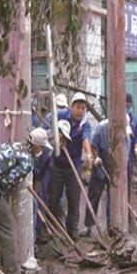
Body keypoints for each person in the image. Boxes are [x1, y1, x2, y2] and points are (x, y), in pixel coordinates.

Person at [0, 128, 51, 274]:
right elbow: (8, 182)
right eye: (41, 146)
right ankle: (12, 271)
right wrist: (4, 195)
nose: (42, 150)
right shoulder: (27, 161)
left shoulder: (13, 145)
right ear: (36, 145)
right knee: (8, 228)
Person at [48, 92, 93, 240]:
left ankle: (72, 230)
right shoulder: (59, 115)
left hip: (74, 165)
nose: (80, 111)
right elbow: (45, 127)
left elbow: (86, 138)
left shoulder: (85, 123)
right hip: (57, 164)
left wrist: (88, 154)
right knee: (54, 198)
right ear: (71, 107)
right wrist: (54, 138)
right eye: (78, 107)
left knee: (74, 199)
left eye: (83, 108)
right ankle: (53, 227)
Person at [81, 116, 131, 237]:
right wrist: (96, 156)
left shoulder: (127, 137)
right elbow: (93, 145)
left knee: (113, 197)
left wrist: (118, 171)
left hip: (115, 165)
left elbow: (126, 158)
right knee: (94, 194)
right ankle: (88, 225)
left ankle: (111, 226)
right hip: (101, 162)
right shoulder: (102, 127)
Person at [126, 93, 137, 189]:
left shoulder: (134, 118)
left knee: (128, 182)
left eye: (129, 106)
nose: (127, 108)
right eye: (126, 105)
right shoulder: (114, 117)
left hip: (130, 155)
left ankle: (126, 202)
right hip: (117, 156)